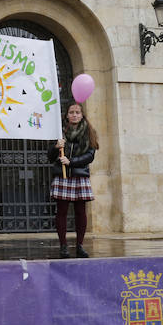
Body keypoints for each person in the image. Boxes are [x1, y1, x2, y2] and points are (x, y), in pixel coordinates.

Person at [48, 102, 99, 259]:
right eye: (71, 112)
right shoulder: (59, 132)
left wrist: (71, 162)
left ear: (82, 115)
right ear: (67, 115)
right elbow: (49, 157)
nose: (75, 115)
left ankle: (80, 246)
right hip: (63, 177)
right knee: (61, 212)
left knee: (80, 212)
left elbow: (90, 155)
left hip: (79, 175)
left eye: (77, 112)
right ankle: (63, 246)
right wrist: (56, 147)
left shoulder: (89, 132)